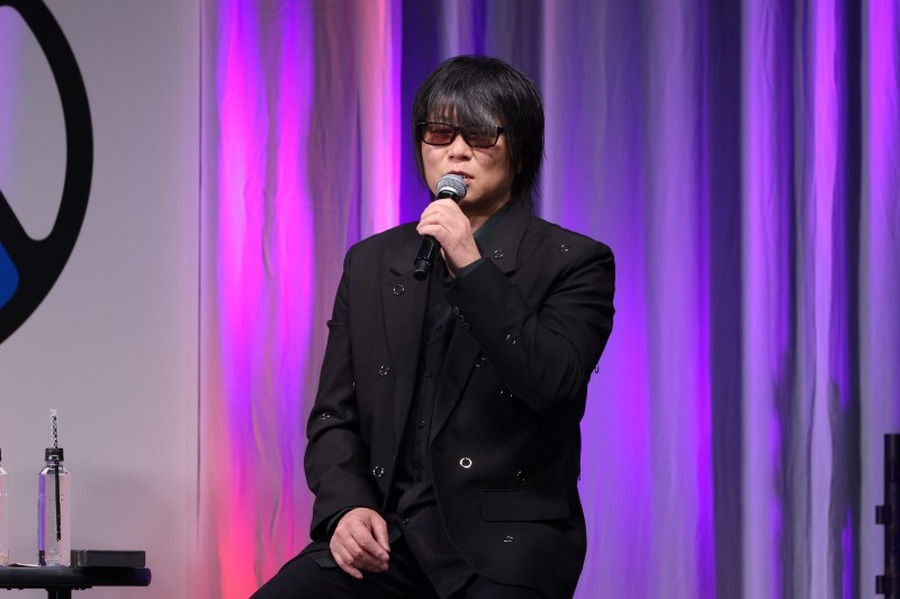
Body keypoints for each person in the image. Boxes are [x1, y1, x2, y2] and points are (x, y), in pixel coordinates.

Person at [253, 55, 615, 599]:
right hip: (391, 539)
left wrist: (471, 264)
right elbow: (334, 414)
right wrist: (347, 507)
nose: (457, 150)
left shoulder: (574, 261)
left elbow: (552, 381)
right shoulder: (372, 262)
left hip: (505, 545)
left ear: (519, 151)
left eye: (481, 134)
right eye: (440, 132)